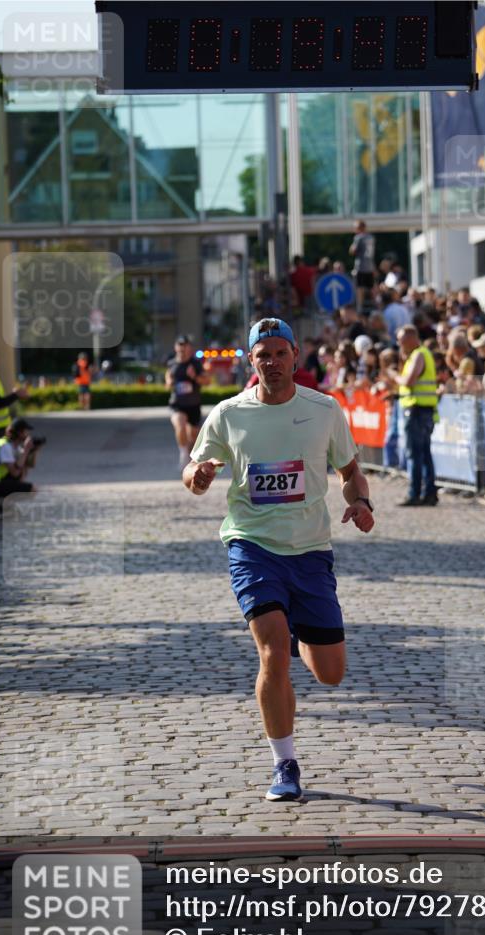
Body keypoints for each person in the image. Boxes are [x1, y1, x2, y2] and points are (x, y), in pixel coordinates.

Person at [182, 317, 374, 802]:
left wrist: (361, 501)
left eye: (280, 352)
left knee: (330, 673)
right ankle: (284, 764)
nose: (272, 361)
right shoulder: (229, 414)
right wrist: (198, 477)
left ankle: (295, 634)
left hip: (310, 549)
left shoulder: (324, 409)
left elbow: (351, 471)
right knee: (271, 652)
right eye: (262, 354)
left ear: (296, 356)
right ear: (251, 361)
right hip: (252, 544)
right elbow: (193, 466)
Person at [389, 324, 439, 507]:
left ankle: (415, 493)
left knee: (415, 454)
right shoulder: (420, 354)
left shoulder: (418, 355)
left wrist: (395, 376)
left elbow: (409, 382)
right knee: (424, 454)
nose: (398, 344)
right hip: (423, 410)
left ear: (411, 339)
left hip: (417, 411)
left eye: (401, 340)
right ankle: (429, 493)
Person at [165, 336, 211, 470]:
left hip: (193, 405)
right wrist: (169, 382)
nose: (182, 348)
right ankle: (183, 454)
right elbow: (168, 377)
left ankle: (190, 458)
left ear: (189, 348)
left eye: (185, 345)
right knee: (180, 425)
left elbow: (207, 381)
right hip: (177, 404)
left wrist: (194, 377)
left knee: (193, 437)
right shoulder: (171, 363)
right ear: (175, 347)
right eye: (180, 345)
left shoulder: (195, 364)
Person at [348, 220, 376, 313]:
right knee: (371, 287)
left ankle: (360, 308)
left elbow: (353, 251)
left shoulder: (358, 237)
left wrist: (352, 247)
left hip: (361, 266)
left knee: (360, 288)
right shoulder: (371, 237)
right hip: (370, 266)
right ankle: (376, 305)